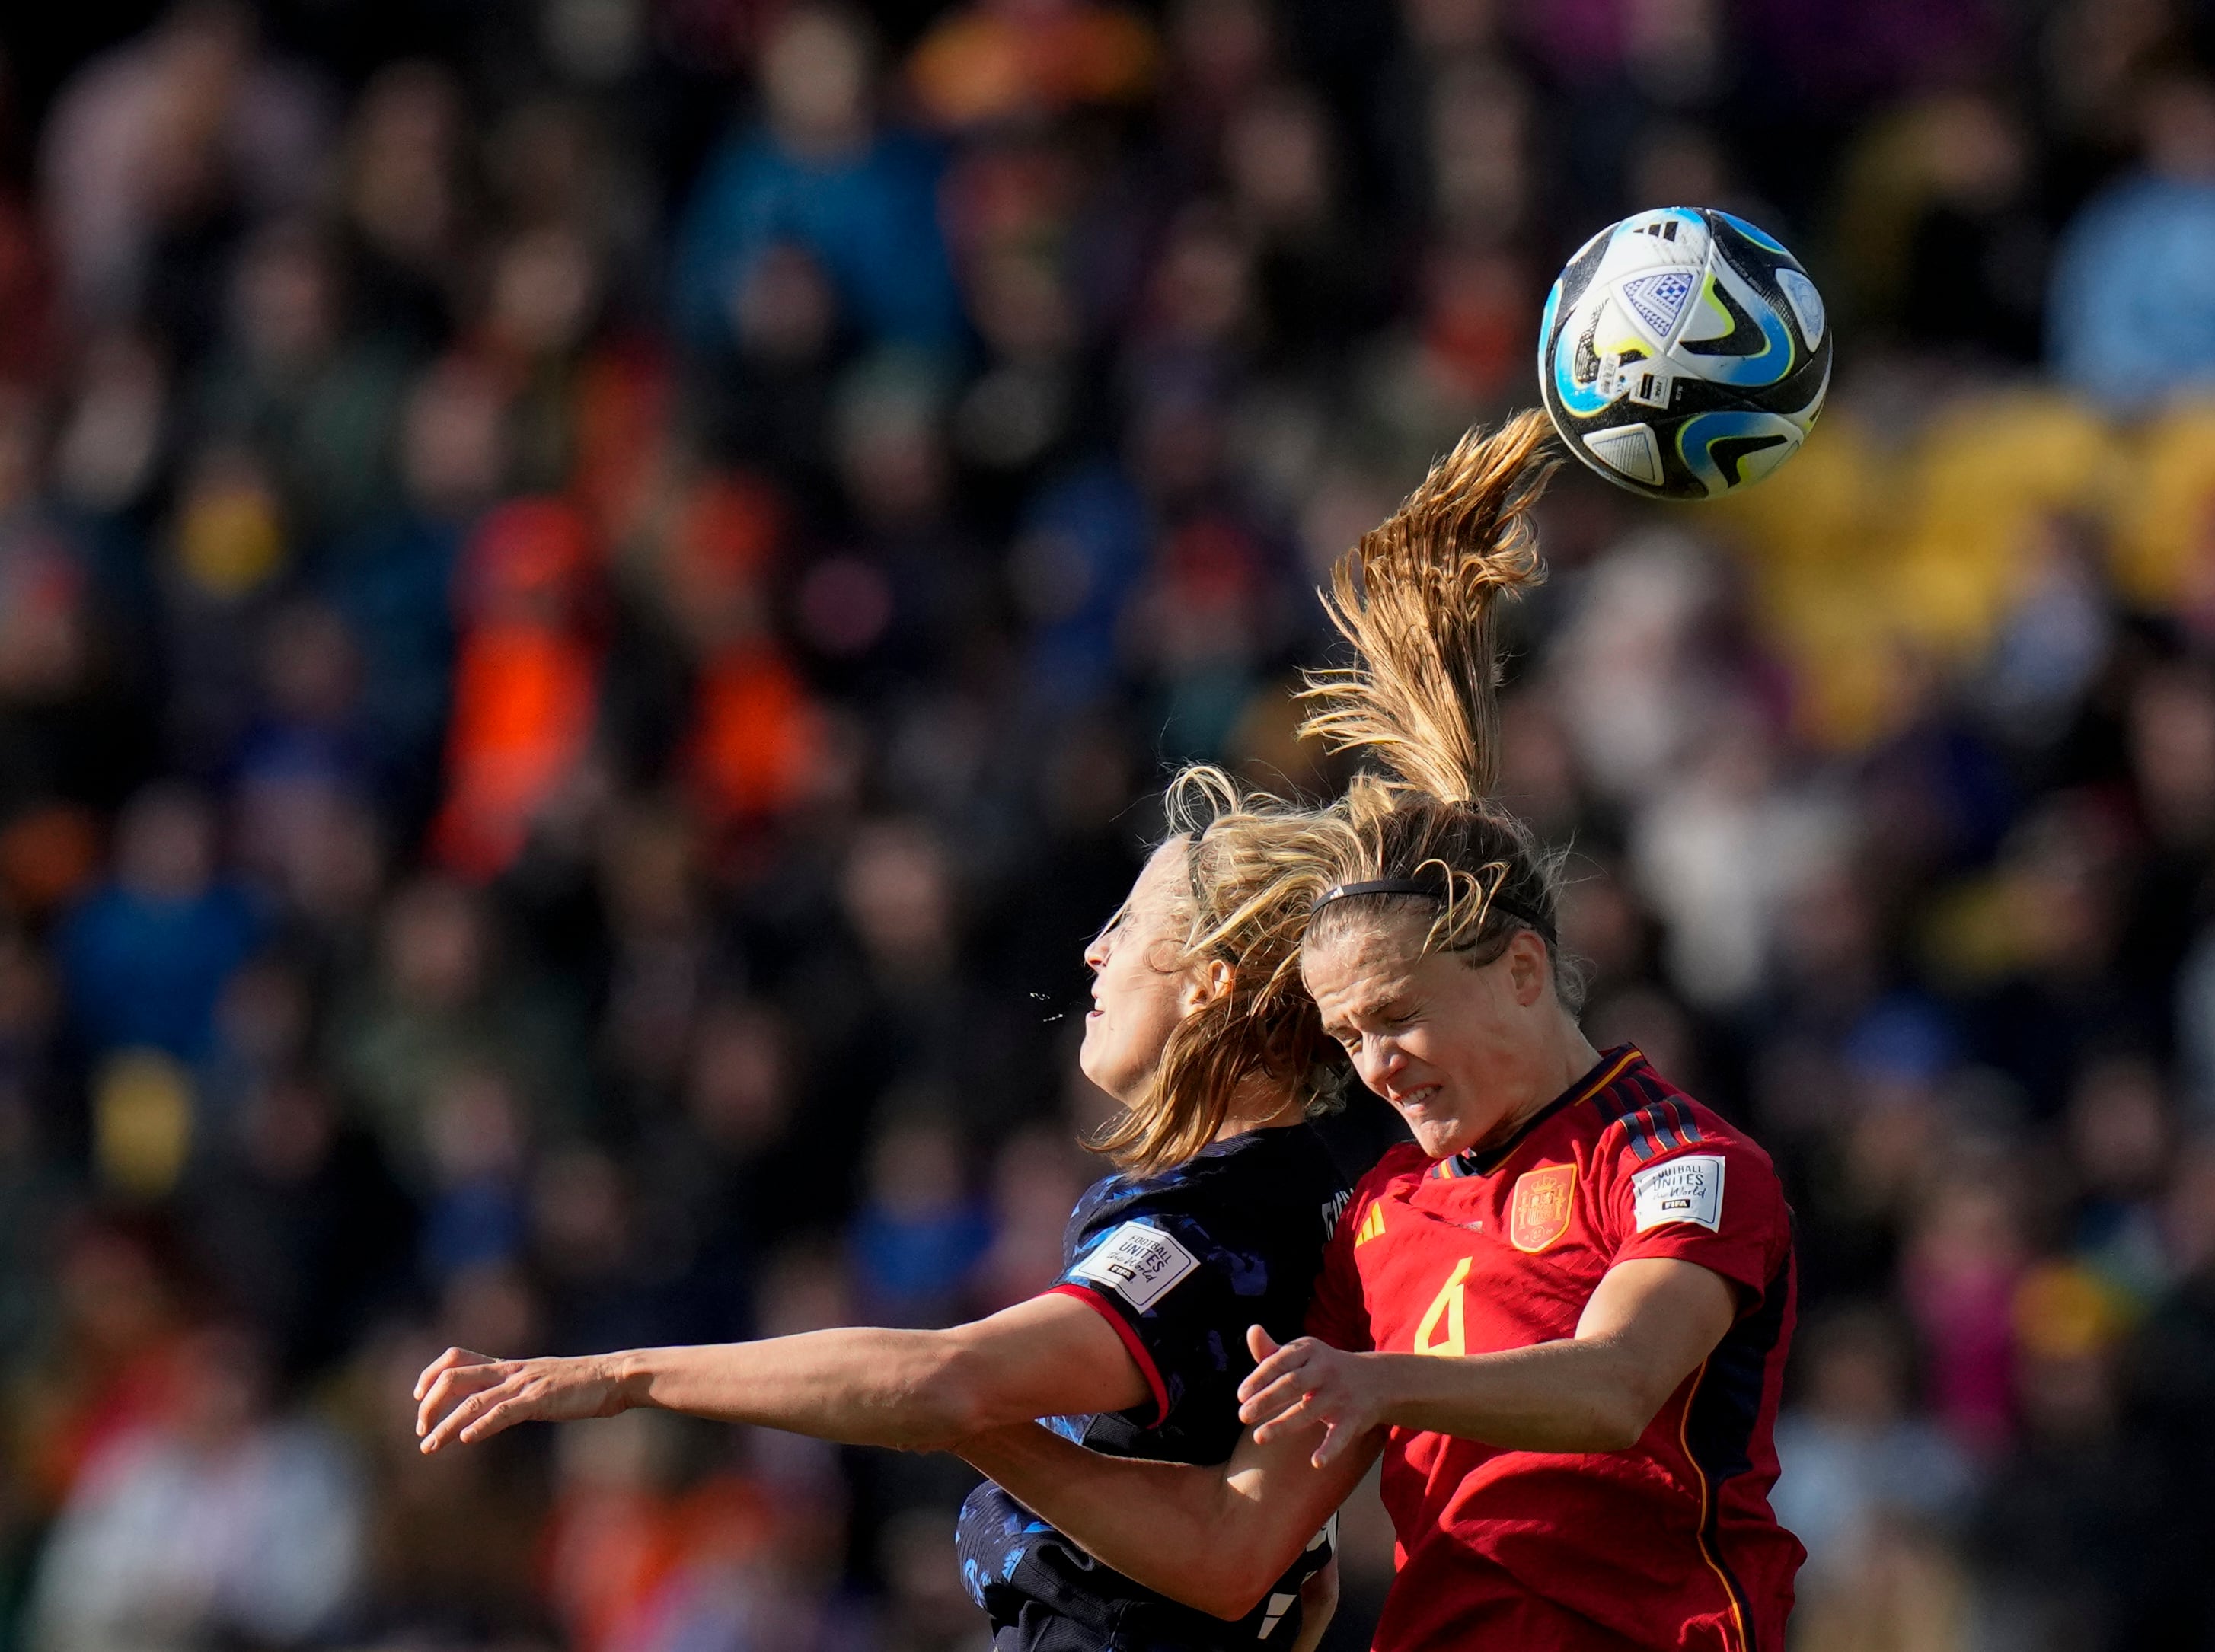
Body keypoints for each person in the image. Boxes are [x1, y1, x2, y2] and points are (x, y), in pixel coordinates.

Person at [954, 411, 1805, 1652]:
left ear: (1524, 971)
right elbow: (1229, 1549)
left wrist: (1379, 1384)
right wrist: (967, 1421)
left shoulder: (1685, 1167)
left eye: (1399, 1017)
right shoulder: (1379, 1218)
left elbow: (1616, 1387)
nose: (1375, 1064)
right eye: (1349, 1035)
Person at [411, 770, 1387, 1652]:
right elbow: (1294, 1583)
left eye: (1129, 926)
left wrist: (623, 1375)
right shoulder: (1307, 1196)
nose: (1094, 951)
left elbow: (947, 1382)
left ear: (1212, 982)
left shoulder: (1211, 1231)